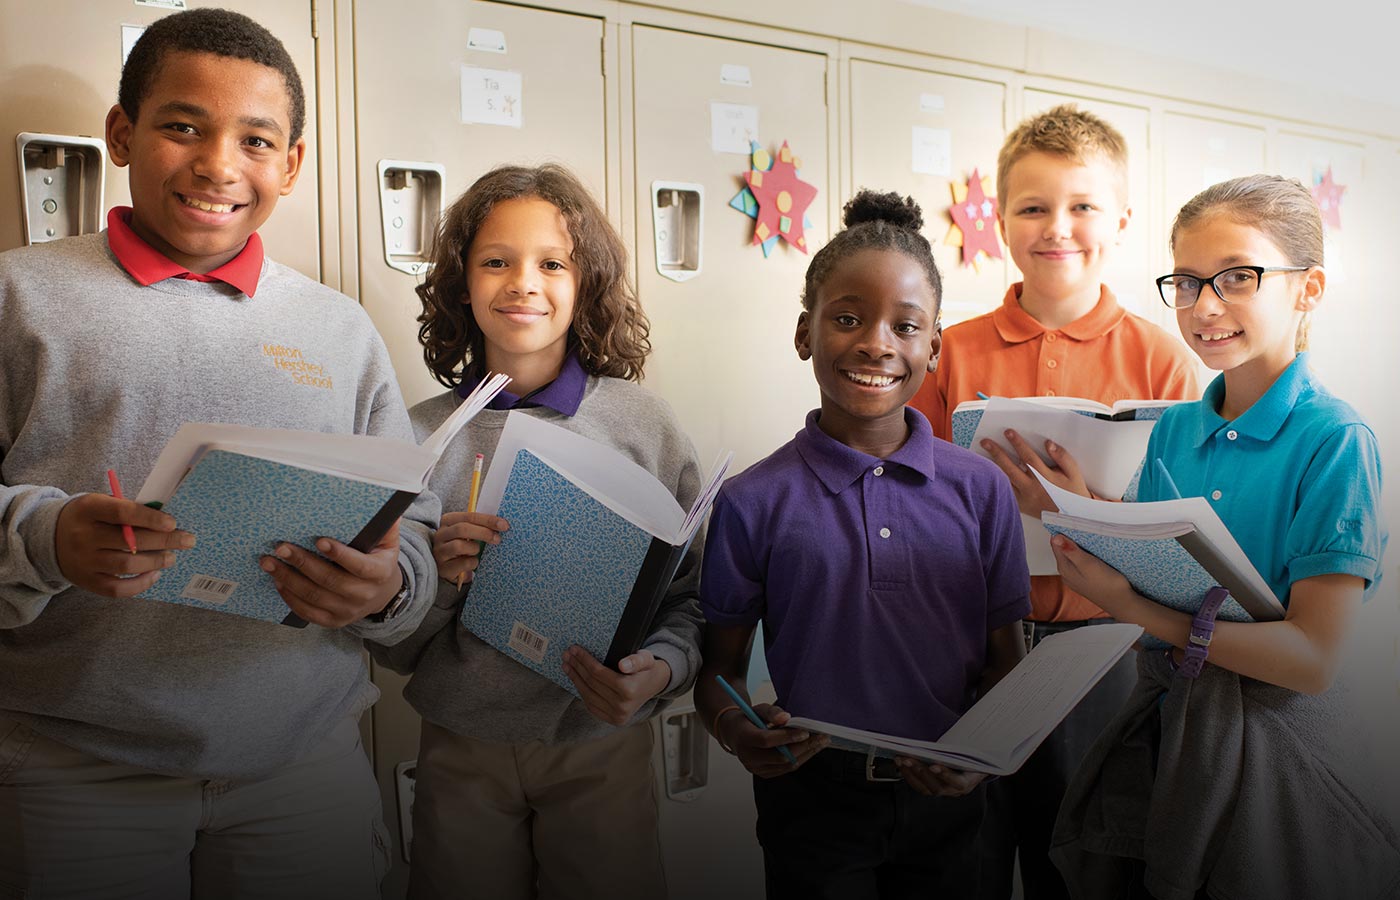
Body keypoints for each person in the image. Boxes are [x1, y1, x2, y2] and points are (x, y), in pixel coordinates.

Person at [0, 9, 437, 899]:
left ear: (293, 164)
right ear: (122, 135)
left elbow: (413, 523)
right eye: (181, 127)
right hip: (70, 767)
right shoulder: (21, 296)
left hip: (302, 765)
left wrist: (388, 589)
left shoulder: (340, 329)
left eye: (255, 140)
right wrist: (46, 538)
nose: (217, 165)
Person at [1048, 174, 1398, 899]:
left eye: (1238, 277)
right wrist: (1077, 515)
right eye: (1187, 281)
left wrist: (1134, 607)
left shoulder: (1335, 440)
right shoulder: (1172, 428)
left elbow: (1311, 660)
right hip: (1173, 737)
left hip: (1285, 759)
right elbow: (1155, 570)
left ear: (1309, 289)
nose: (1204, 306)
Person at [370, 163, 703, 900]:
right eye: (496, 261)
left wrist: (664, 670)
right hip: (462, 745)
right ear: (461, 283)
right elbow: (388, 641)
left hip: (600, 741)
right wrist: (440, 581)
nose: (524, 282)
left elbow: (691, 595)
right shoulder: (423, 434)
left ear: (586, 285)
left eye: (552, 263)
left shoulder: (643, 426)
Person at [695, 189, 1031, 900]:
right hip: (813, 803)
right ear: (804, 333)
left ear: (933, 347)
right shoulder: (752, 501)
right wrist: (736, 729)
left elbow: (1009, 666)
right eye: (847, 319)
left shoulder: (983, 490)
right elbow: (717, 672)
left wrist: (981, 756)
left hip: (953, 801)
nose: (876, 343)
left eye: (905, 327)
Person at [907, 103, 1200, 900]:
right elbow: (908, 497)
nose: (1057, 227)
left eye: (1082, 207)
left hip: (1106, 652)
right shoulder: (949, 349)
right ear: (998, 219)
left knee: (1084, 866)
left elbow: (1186, 535)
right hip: (970, 649)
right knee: (962, 859)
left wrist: (1079, 510)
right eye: (1033, 207)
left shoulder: (1164, 361)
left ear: (1122, 220)